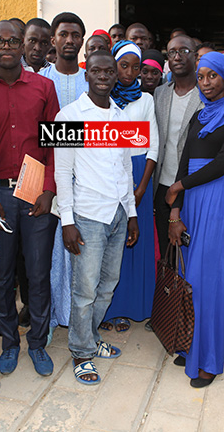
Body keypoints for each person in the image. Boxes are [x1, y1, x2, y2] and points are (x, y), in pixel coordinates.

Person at [0, 20, 60, 376]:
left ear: (23, 45)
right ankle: (9, 343)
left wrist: (50, 189)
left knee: (38, 275)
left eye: (13, 40)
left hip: (37, 194)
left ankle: (37, 343)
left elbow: (57, 144)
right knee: (2, 276)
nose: (6, 46)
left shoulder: (44, 87)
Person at [54, 50, 139, 385]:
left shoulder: (121, 116)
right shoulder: (68, 116)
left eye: (110, 71)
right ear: (86, 74)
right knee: (85, 289)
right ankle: (80, 352)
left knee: (108, 285)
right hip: (88, 215)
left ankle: (89, 338)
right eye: (97, 71)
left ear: (116, 76)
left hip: (118, 213)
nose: (104, 76)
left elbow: (125, 170)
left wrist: (131, 214)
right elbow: (63, 174)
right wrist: (67, 221)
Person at [166, 51, 224, 387]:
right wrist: (175, 211)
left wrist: (177, 187)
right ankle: (192, 345)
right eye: (201, 77)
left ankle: (211, 360)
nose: (205, 83)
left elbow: (221, 163)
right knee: (189, 278)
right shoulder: (199, 116)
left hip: (215, 199)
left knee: (208, 282)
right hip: (190, 202)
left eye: (212, 76)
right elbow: (184, 160)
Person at [100, 40, 159, 333]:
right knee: (113, 244)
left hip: (139, 178)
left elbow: (152, 147)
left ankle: (138, 306)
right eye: (124, 65)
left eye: (136, 67)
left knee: (137, 242)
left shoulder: (145, 100)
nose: (130, 72)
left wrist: (140, 188)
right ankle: (113, 309)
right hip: (110, 176)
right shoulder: (103, 99)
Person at [39, 12, 89, 331]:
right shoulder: (42, 80)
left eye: (75, 35)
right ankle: (56, 312)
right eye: (64, 34)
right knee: (50, 252)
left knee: (82, 248)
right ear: (53, 40)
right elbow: (41, 133)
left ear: (82, 41)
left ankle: (81, 315)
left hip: (87, 179)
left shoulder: (92, 78)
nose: (69, 40)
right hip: (49, 178)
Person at [153, 35, 204, 257]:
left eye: (183, 51)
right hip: (163, 184)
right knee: (166, 254)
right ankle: (169, 293)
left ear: (195, 57)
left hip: (193, 185)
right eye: (172, 52)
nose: (177, 56)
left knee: (192, 251)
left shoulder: (207, 94)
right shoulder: (159, 93)